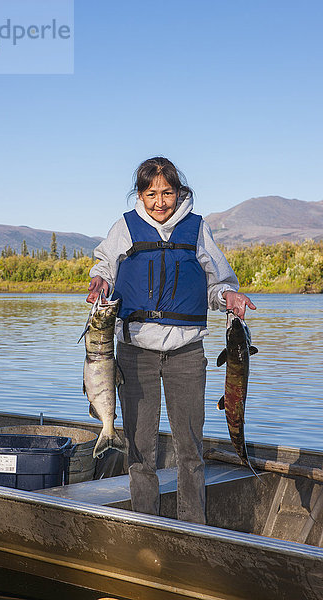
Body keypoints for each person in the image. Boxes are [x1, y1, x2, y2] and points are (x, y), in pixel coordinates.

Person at [86, 157, 256, 524]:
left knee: (190, 451)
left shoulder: (197, 229)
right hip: (134, 355)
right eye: (151, 193)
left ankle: (193, 527)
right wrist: (100, 281)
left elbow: (218, 284)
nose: (160, 201)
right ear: (141, 195)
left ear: (180, 192)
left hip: (186, 355)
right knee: (140, 451)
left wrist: (228, 297)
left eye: (167, 192)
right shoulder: (125, 228)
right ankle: (147, 524)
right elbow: (105, 268)